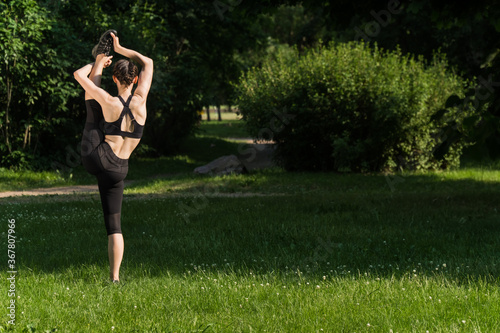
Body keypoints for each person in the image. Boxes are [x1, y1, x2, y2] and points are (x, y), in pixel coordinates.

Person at [73, 31, 153, 282]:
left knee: (93, 109)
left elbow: (78, 75)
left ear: (115, 78)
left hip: (95, 157)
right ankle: (114, 278)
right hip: (120, 168)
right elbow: (148, 62)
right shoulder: (141, 102)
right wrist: (120, 48)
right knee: (114, 225)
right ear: (136, 79)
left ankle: (99, 57)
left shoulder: (109, 100)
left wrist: (99, 61)